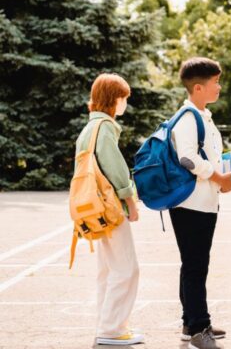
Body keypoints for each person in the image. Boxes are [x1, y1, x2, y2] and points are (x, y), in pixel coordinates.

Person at [169, 57, 231, 349]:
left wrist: (220, 178)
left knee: (193, 265)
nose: (219, 87)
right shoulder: (188, 118)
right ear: (198, 87)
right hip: (191, 204)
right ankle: (199, 329)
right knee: (196, 266)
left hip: (202, 202)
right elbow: (187, 158)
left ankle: (192, 322)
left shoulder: (202, 115)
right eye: (215, 82)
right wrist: (218, 176)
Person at [74, 73, 143, 346]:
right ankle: (113, 329)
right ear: (114, 99)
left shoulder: (89, 128)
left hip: (93, 208)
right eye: (124, 98)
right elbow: (116, 169)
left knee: (108, 268)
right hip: (110, 207)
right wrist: (129, 201)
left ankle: (107, 324)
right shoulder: (105, 127)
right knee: (127, 267)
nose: (125, 102)